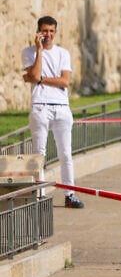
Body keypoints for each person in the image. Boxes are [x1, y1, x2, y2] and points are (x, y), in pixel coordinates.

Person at [21, 15, 84, 208]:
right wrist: (39, 52)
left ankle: (70, 194)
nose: (48, 34)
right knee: (39, 153)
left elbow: (64, 81)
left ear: (55, 32)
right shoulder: (29, 52)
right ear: (39, 32)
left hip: (61, 107)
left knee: (65, 153)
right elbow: (32, 74)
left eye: (51, 31)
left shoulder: (63, 53)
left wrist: (40, 79)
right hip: (41, 106)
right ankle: (39, 195)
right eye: (44, 31)